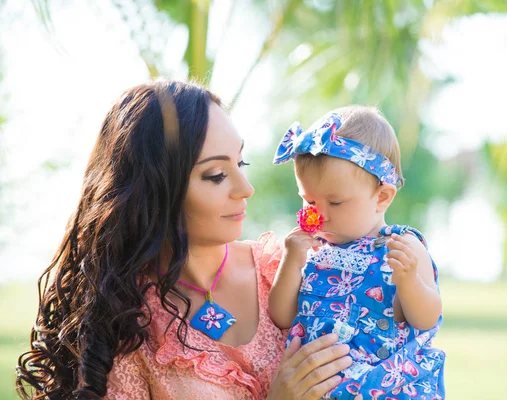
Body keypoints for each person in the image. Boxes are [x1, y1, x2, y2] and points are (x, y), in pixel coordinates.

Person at [15, 80, 351, 400]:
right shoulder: (125, 324)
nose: (245, 188)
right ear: (154, 190)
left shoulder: (288, 269)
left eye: (240, 162)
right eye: (216, 175)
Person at [269, 107, 446, 399]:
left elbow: (426, 319)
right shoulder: (314, 251)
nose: (319, 214)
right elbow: (282, 316)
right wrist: (290, 261)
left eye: (335, 203)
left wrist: (409, 280)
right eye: (309, 200)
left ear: (382, 197)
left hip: (384, 387)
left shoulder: (401, 247)